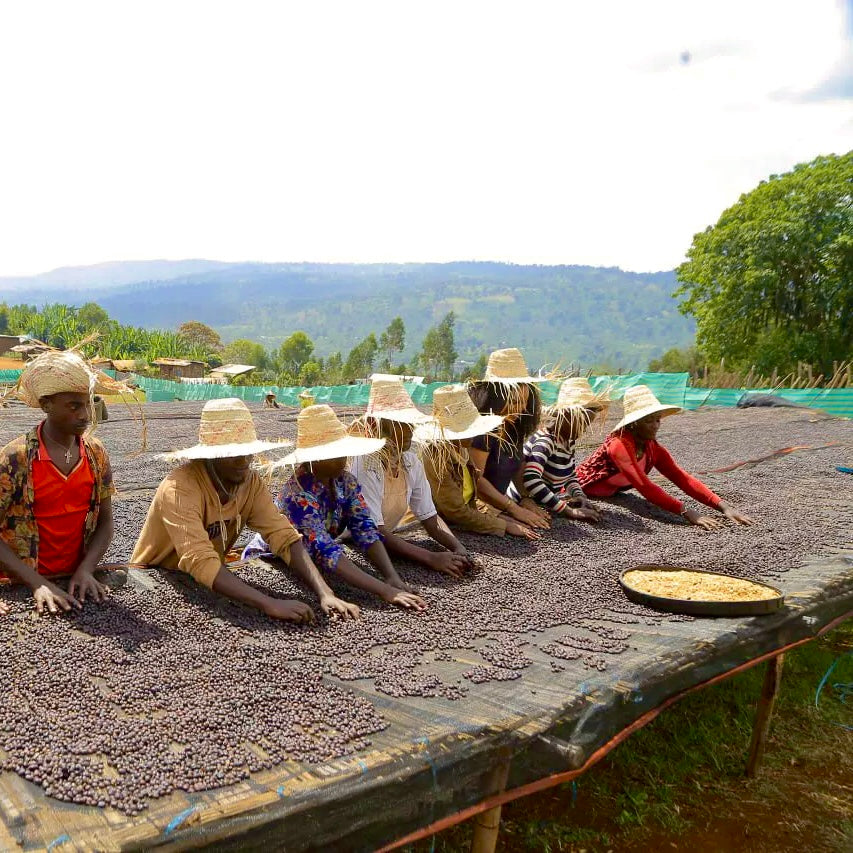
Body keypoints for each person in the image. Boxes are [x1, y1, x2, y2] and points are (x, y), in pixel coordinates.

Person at [131, 398, 360, 623]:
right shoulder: (180, 488)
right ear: (211, 457)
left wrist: (324, 592)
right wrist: (268, 603)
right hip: (154, 577)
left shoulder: (249, 483)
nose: (244, 461)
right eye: (234, 454)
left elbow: (282, 534)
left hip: (206, 580)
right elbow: (198, 559)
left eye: (247, 452)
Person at [244, 405, 427, 611]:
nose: (344, 458)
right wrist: (385, 591)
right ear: (315, 459)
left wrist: (391, 577)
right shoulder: (298, 495)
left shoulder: (345, 482)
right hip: (277, 555)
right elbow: (324, 548)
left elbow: (365, 529)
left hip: (317, 552)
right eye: (335, 453)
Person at [0, 350, 120, 614]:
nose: (85, 415)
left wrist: (86, 570)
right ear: (46, 405)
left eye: (88, 403)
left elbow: (106, 521)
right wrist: (37, 584)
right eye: (74, 406)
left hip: (73, 578)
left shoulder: (95, 453)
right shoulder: (16, 458)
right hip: (21, 579)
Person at [576, 385, 754, 529]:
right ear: (634, 423)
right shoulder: (619, 445)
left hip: (610, 494)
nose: (655, 426)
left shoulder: (652, 449)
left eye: (657, 420)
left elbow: (681, 478)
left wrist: (724, 507)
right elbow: (644, 486)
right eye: (649, 421)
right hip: (579, 490)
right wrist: (687, 512)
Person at [349, 379, 472, 579]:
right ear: (376, 426)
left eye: (410, 424)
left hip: (386, 535)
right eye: (400, 425)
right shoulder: (366, 464)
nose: (409, 431)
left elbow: (430, 517)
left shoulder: (410, 461)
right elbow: (375, 531)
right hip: (359, 540)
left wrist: (458, 548)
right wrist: (431, 558)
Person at [415, 384, 539, 540]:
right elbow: (455, 510)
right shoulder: (436, 456)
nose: (476, 436)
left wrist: (500, 516)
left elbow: (470, 502)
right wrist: (503, 525)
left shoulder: (462, 448)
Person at [467, 348, 551, 530]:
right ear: (495, 397)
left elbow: (518, 466)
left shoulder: (514, 426)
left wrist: (525, 498)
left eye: (523, 402)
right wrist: (513, 509)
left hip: (501, 504)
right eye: (513, 402)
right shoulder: (483, 431)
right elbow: (477, 480)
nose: (519, 409)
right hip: (476, 506)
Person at [508, 377, 608, 523]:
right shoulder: (546, 441)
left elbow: (570, 476)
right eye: (581, 423)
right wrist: (568, 510)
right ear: (565, 416)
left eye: (587, 424)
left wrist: (580, 496)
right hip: (521, 499)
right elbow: (531, 479)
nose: (584, 429)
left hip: (544, 501)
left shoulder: (568, 441)